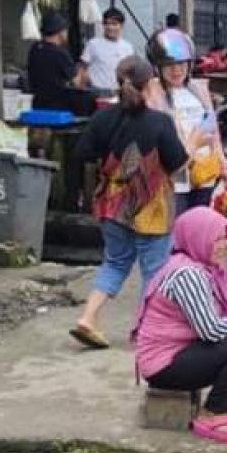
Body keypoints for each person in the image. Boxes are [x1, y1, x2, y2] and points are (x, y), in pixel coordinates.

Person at [134, 207, 227, 442]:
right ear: (197, 237)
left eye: (224, 238)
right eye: (216, 239)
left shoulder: (199, 266)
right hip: (165, 366)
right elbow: (211, 330)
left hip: (184, 349)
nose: (222, 245)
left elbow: (225, 302)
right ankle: (213, 411)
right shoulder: (187, 274)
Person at [69, 56, 188, 351]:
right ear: (150, 84)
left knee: (115, 261)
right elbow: (177, 162)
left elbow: (82, 152)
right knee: (154, 269)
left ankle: (88, 317)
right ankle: (145, 329)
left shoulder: (102, 117)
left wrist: (112, 162)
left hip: (112, 201)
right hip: (150, 207)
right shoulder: (160, 121)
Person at [144, 29, 226, 215]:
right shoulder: (152, 91)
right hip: (173, 175)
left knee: (199, 227)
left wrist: (223, 163)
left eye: (181, 64)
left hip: (203, 172)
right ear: (158, 66)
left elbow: (212, 129)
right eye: (169, 65)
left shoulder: (198, 89)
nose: (176, 70)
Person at [26, 11, 79, 111]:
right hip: (58, 107)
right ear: (60, 32)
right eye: (66, 30)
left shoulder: (35, 48)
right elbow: (76, 82)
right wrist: (82, 71)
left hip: (37, 105)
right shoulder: (60, 53)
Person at [80, 8, 135, 93]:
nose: (110, 27)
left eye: (114, 24)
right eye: (106, 24)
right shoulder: (93, 44)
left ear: (121, 25)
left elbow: (130, 72)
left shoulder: (128, 47)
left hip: (119, 92)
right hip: (96, 91)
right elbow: (82, 68)